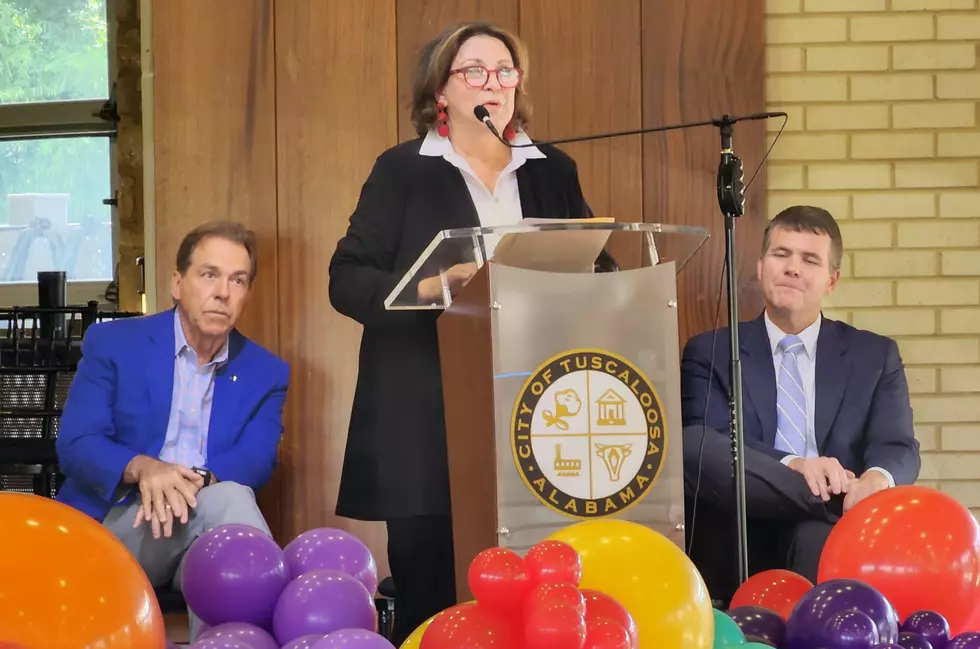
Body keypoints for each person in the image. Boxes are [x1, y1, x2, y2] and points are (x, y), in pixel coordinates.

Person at [328, 21, 614, 645]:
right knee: (436, 599)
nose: (495, 82)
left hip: (541, 411)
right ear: (442, 92)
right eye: (475, 71)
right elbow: (346, 279)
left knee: (540, 595)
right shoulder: (402, 170)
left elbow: (599, 265)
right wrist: (436, 284)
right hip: (428, 411)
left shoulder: (550, 171)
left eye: (505, 71)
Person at [55, 220, 290, 640]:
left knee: (230, 503)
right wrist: (145, 468)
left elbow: (257, 459)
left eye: (238, 280)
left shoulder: (266, 372)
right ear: (178, 284)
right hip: (118, 524)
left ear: (247, 294)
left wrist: (192, 481)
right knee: (230, 508)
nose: (223, 292)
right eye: (209, 275)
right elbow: (76, 443)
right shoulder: (113, 343)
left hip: (201, 523)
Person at [680, 205, 919, 599]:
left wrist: (876, 480)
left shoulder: (874, 356)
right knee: (691, 445)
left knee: (816, 538)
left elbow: (898, 445)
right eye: (781, 254)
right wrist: (801, 468)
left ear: (832, 280)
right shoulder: (713, 350)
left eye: (809, 260)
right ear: (760, 266)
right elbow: (707, 446)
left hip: (827, 533)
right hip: (741, 520)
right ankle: (825, 499)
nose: (792, 268)